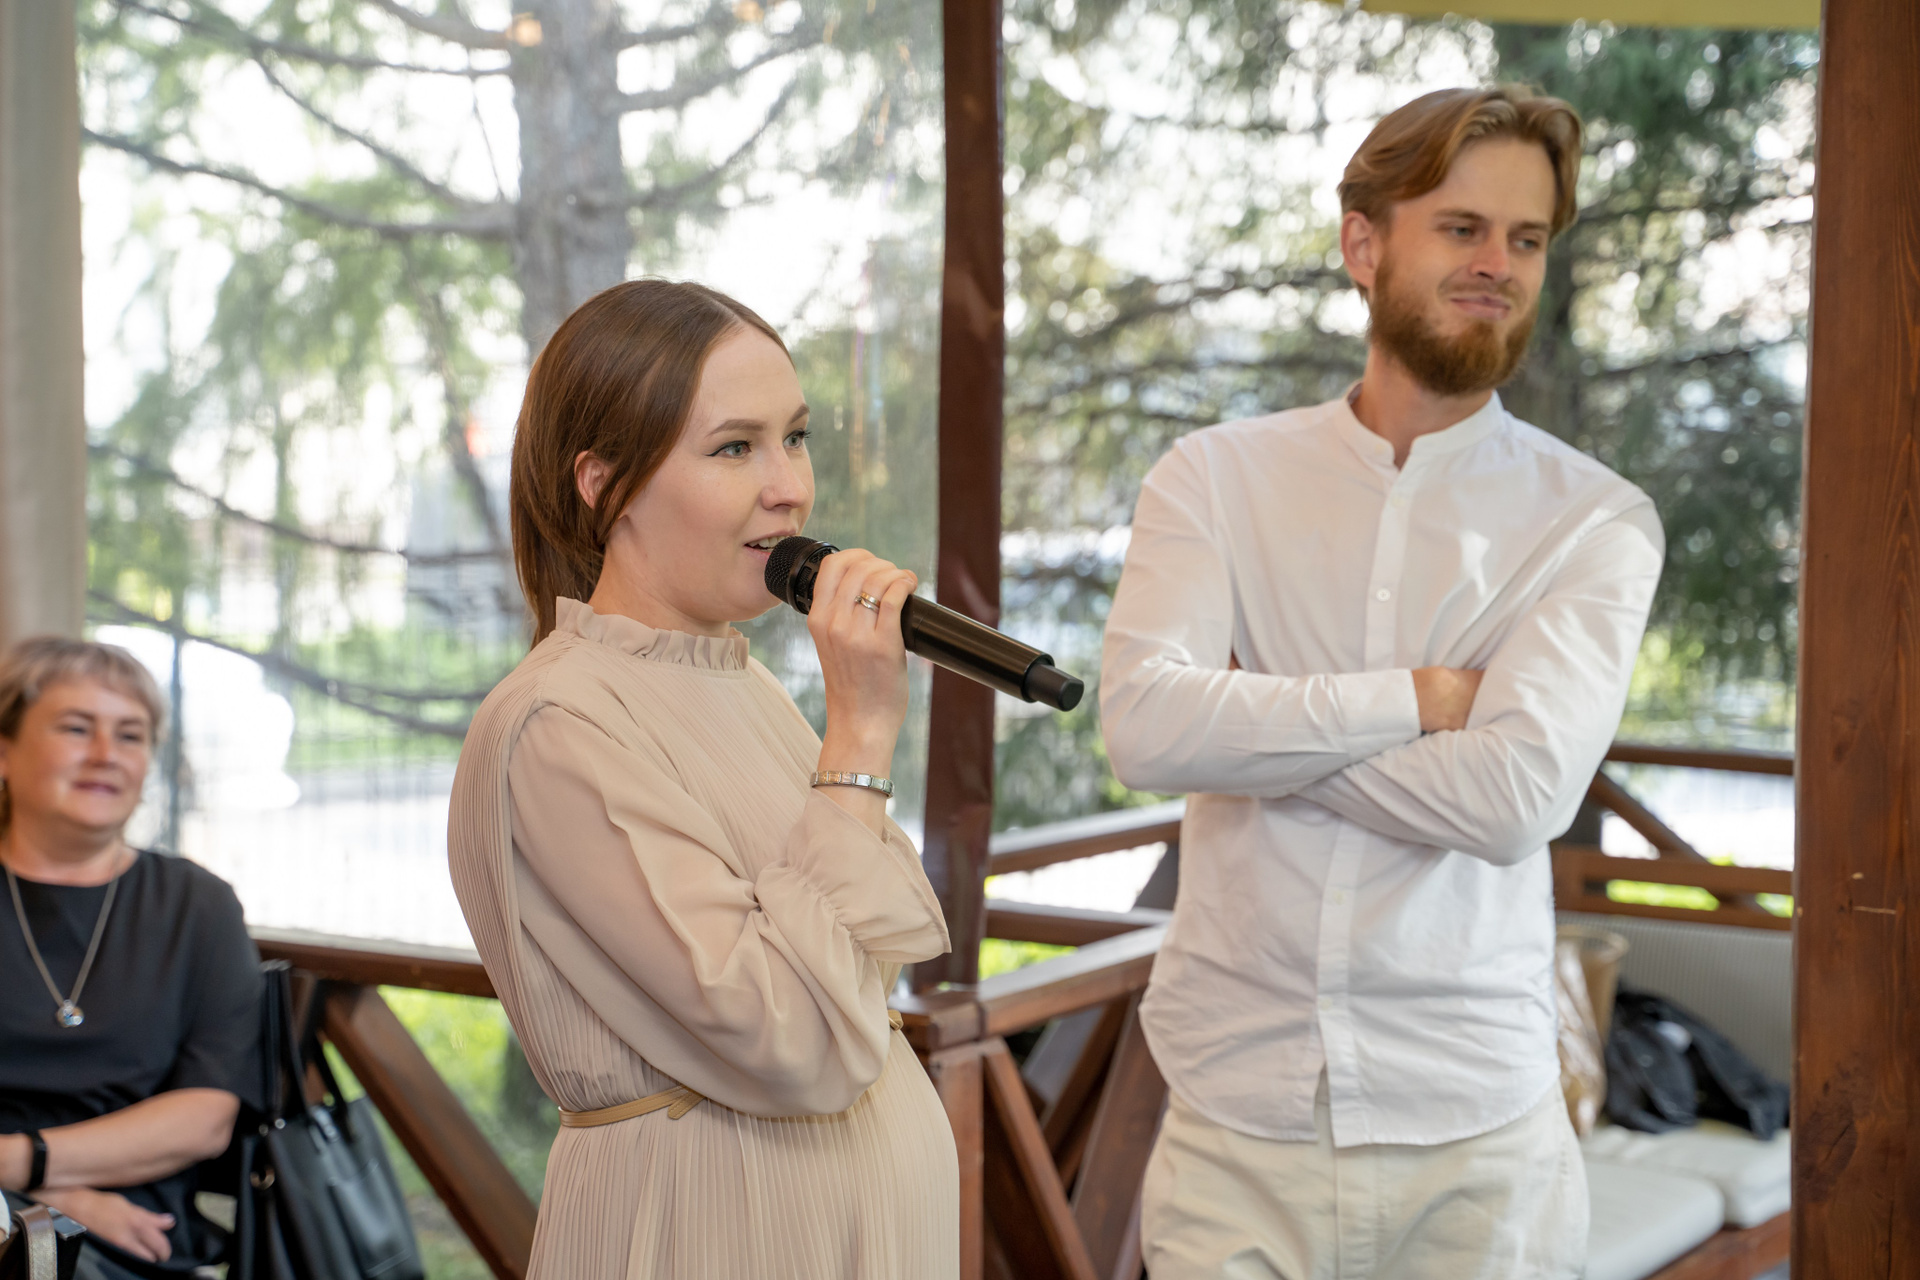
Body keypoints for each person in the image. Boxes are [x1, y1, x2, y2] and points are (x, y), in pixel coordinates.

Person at [1100, 86, 1664, 1278]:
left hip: (1477, 1145)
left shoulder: (1595, 523)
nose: (1498, 264)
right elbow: (1147, 729)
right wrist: (1416, 698)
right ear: (1364, 244)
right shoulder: (1213, 479)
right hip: (1234, 1124)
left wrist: (1249, 723)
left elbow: (1512, 799)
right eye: (1462, 228)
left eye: (1526, 239)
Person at [447, 279, 958, 1279]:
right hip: (702, 1233)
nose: (790, 486)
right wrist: (860, 731)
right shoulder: (556, 723)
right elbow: (792, 1037)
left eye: (795, 437)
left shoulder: (743, 681)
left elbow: (859, 969)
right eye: (734, 447)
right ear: (603, 483)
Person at [0, 638, 264, 1279]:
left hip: (136, 1236)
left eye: (130, 735)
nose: (106, 754)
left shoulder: (197, 905)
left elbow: (203, 1119)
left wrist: (20, 1166)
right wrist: (58, 1202)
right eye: (76, 728)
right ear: (4, 750)